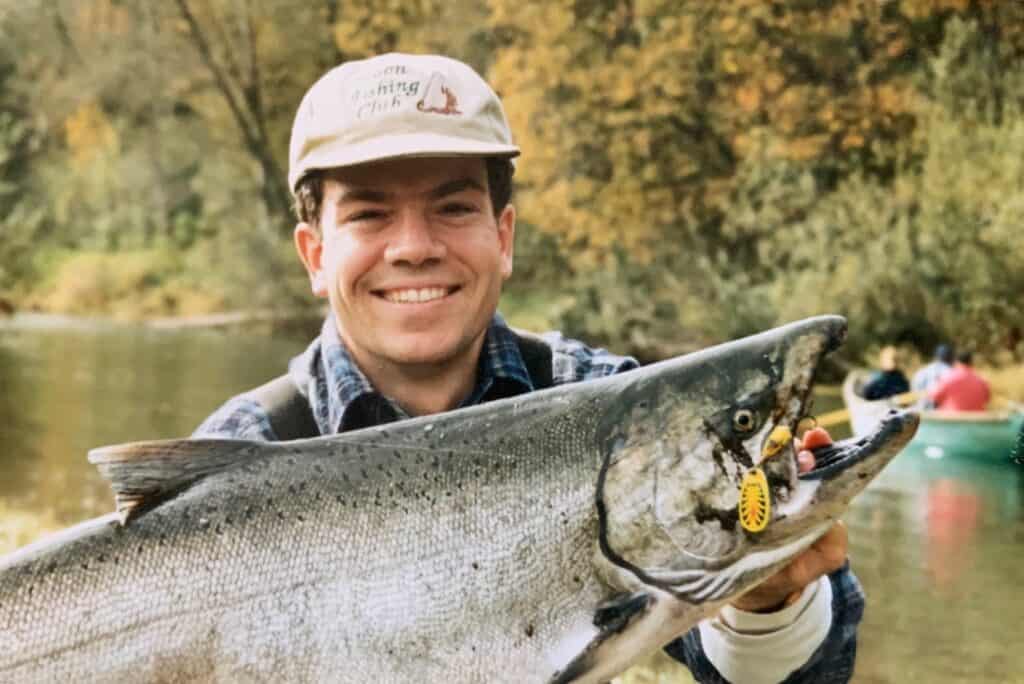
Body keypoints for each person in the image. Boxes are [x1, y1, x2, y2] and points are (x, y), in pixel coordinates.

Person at [195, 53, 863, 683]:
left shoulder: (614, 408)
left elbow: (787, 674)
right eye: (370, 215)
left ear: (504, 237)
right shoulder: (235, 457)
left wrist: (766, 603)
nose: (415, 247)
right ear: (314, 256)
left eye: (452, 208)